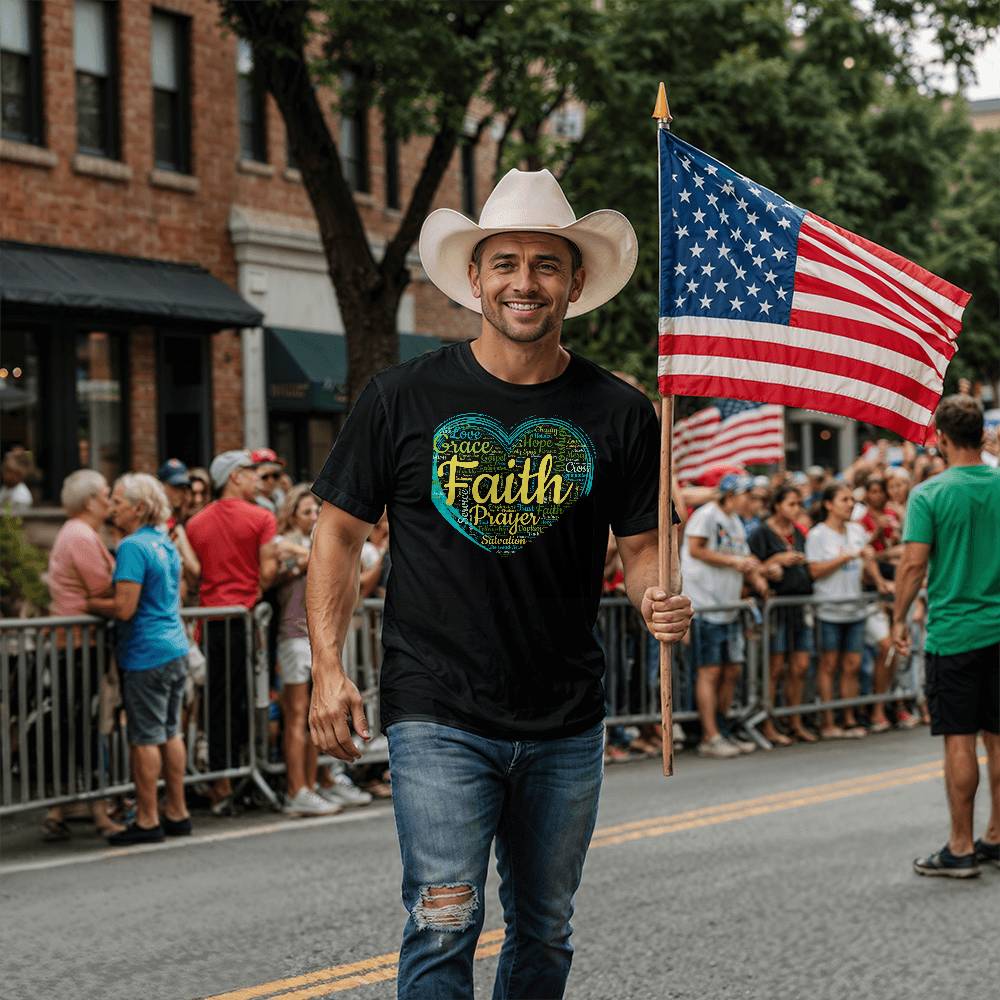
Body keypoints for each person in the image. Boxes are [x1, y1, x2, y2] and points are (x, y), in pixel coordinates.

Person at [306, 168, 692, 999]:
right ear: (474, 278)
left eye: (547, 264)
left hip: (565, 717)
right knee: (444, 921)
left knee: (544, 931)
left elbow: (645, 550)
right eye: (506, 262)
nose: (526, 281)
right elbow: (335, 532)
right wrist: (328, 667)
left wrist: (659, 595)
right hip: (437, 708)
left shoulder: (621, 414)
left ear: (576, 281)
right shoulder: (402, 398)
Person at [892, 395, 1000, 878]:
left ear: (941, 438)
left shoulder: (930, 494)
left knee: (960, 738)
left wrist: (898, 619)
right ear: (981, 434)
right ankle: (997, 836)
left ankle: (960, 846)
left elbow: (914, 564)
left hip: (954, 632)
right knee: (998, 739)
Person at [186, 451, 278, 813]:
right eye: (252, 473)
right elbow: (268, 571)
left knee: (216, 702)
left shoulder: (196, 522)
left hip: (209, 621)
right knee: (244, 699)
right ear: (235, 477)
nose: (259, 479)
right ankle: (237, 776)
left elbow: (194, 573)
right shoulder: (261, 516)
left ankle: (223, 781)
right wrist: (253, 594)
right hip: (243, 618)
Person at [105, 474, 192, 845]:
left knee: (144, 738)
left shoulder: (132, 546)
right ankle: (178, 811)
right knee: (171, 732)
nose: (112, 509)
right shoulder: (164, 541)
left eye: (117, 502)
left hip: (146, 651)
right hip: (175, 645)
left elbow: (124, 608)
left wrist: (88, 603)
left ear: (138, 508)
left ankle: (147, 819)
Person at [43, 469, 122, 839]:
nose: (110, 499)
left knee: (74, 726)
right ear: (91, 500)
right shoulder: (81, 536)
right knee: (85, 727)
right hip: (79, 645)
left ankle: (61, 807)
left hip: (74, 643)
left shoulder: (76, 533)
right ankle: (95, 809)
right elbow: (103, 588)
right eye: (107, 493)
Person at [682, 474, 766, 759]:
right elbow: (695, 549)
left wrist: (752, 570)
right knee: (710, 671)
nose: (751, 501)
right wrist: (734, 561)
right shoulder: (707, 515)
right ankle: (710, 735)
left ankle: (723, 727)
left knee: (732, 671)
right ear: (730, 495)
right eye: (746, 495)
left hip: (729, 606)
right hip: (706, 605)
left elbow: (739, 557)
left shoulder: (735, 523)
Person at [806, 483, 891, 739]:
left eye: (852, 499)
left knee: (852, 664)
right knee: (829, 664)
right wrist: (844, 558)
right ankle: (829, 721)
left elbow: (868, 563)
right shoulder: (817, 534)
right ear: (829, 504)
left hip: (855, 608)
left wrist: (876, 579)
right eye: (844, 499)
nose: (850, 504)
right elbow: (814, 571)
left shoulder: (856, 530)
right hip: (829, 608)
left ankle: (849, 718)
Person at [748, 485, 816, 744]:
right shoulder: (761, 533)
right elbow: (751, 569)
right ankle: (768, 724)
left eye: (799, 504)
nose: (796, 509)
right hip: (776, 606)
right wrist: (774, 562)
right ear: (777, 505)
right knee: (775, 668)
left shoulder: (799, 533)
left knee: (800, 666)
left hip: (799, 604)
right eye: (791, 503)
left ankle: (794, 719)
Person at [157, 458, 201, 591]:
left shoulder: (182, 520)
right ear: (161, 486)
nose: (180, 492)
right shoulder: (154, 521)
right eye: (174, 486)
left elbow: (195, 572)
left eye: (183, 487)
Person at [251, 448, 286, 514]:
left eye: (275, 475)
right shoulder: (249, 503)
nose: (271, 481)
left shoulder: (281, 498)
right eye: (264, 476)